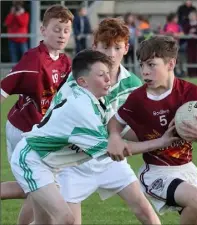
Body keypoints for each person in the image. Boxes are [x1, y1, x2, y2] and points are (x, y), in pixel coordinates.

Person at [10, 49, 177, 225]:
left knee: (45, 222)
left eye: (108, 74)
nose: (108, 79)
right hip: (31, 160)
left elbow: (122, 131)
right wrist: (161, 141)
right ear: (83, 81)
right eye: (101, 75)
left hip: (51, 165)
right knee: (65, 219)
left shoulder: (96, 99)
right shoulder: (82, 109)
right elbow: (118, 149)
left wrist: (160, 129)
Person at [107, 35, 197, 225]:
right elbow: (115, 122)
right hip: (157, 172)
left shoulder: (193, 94)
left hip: (187, 170)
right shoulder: (138, 99)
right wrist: (114, 136)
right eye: (142, 66)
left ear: (170, 64)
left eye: (151, 65)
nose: (145, 72)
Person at [54, 18, 162, 225]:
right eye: (105, 47)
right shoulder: (78, 79)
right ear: (95, 47)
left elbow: (132, 128)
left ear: (126, 48)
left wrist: (157, 129)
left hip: (110, 161)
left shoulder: (134, 85)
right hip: (73, 161)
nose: (111, 54)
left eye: (117, 47)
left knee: (145, 211)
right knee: (68, 221)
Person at [1, 4, 73, 225]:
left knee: (36, 189)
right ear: (43, 31)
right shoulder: (34, 59)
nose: (62, 35)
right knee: (41, 187)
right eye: (56, 29)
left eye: (66, 30)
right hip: (22, 130)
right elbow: (4, 89)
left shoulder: (65, 62)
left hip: (41, 133)